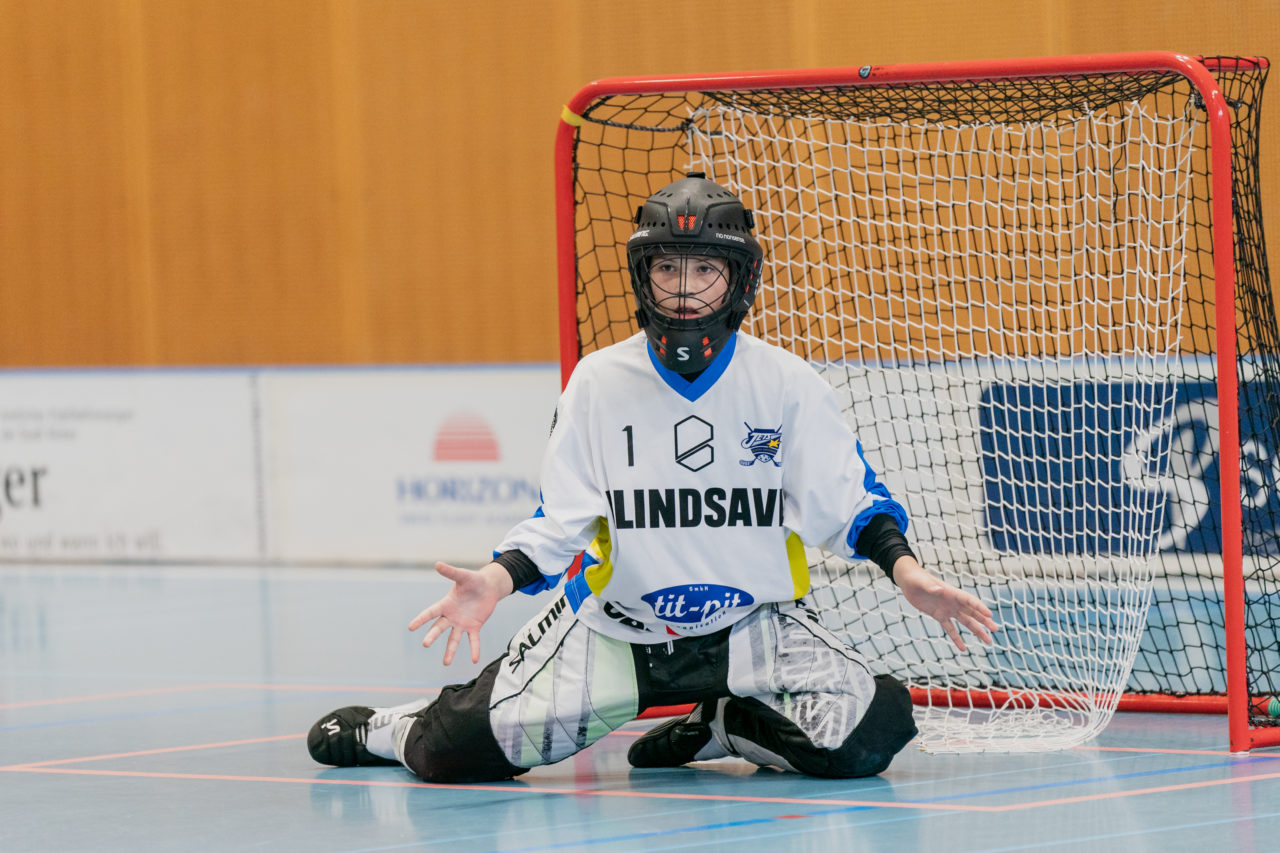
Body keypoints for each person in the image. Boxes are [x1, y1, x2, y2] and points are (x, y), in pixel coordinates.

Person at [307, 173, 998, 783]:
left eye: (706, 269)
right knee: (452, 754)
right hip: (617, 631)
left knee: (872, 730)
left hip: (751, 627)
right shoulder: (599, 383)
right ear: (644, 276)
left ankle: (724, 722)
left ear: (740, 279)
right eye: (668, 266)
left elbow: (850, 504)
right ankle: (388, 729)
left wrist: (906, 572)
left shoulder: (788, 384)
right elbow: (559, 522)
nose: (686, 288)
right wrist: (495, 578)